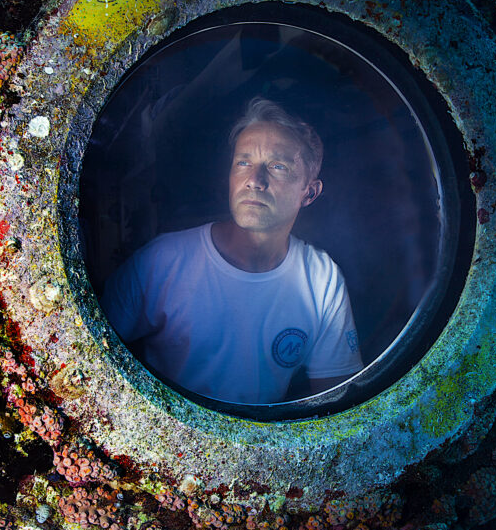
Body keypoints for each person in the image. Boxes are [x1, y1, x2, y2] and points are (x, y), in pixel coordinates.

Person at [101, 97, 362, 404]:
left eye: (277, 166)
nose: (255, 180)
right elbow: (90, 356)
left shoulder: (322, 279)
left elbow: (336, 404)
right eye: (243, 162)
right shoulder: (162, 261)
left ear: (309, 192)